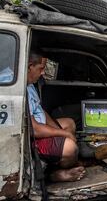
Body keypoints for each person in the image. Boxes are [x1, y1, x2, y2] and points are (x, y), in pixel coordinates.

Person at [27, 50, 85, 182]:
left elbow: (40, 110)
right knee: (71, 148)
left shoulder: (30, 83)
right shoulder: (19, 85)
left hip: (39, 126)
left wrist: (58, 132)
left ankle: (57, 163)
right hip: (31, 138)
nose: (43, 73)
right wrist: (64, 134)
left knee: (69, 123)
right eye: (41, 69)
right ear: (30, 66)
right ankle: (53, 175)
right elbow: (34, 129)